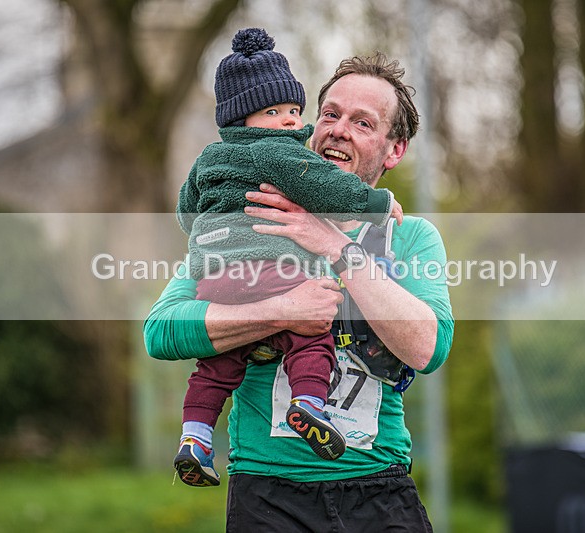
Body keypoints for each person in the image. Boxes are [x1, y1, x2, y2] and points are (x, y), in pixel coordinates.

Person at [145, 50, 454, 532]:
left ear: (395, 150)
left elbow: (427, 348)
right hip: (266, 492)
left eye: (363, 122)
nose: (338, 129)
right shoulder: (250, 217)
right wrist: (283, 309)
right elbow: (161, 331)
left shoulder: (408, 236)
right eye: (329, 114)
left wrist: (331, 244)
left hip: (378, 486)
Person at [173, 28, 405, 488]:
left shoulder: (207, 158)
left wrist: (209, 234)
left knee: (215, 368)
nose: (287, 121)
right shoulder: (280, 153)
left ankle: (195, 438)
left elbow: (186, 210)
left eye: (295, 111)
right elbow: (327, 186)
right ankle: (310, 406)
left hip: (216, 279)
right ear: (241, 120)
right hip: (273, 274)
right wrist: (378, 206)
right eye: (274, 112)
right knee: (312, 335)